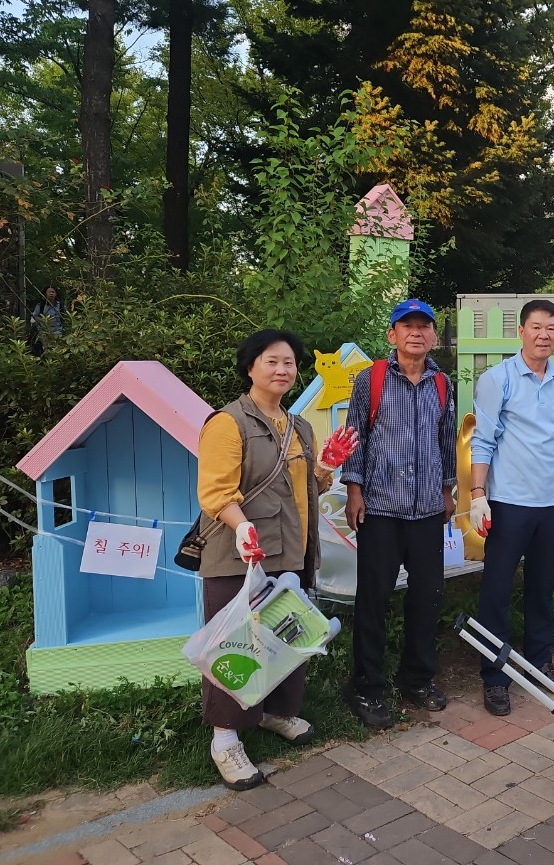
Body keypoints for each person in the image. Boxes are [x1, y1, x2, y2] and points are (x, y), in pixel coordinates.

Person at [195, 329, 359, 789]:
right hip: (240, 553)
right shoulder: (227, 423)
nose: (283, 370)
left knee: (288, 636)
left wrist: (325, 467)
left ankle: (275, 712)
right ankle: (225, 738)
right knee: (235, 645)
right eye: (272, 361)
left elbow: (307, 491)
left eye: (289, 362)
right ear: (250, 368)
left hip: (291, 550)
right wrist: (240, 525)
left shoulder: (299, 426)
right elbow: (216, 492)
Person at [339, 299, 456, 730]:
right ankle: (366, 686)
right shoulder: (369, 380)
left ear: (434, 336)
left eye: (425, 326)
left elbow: (446, 441)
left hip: (427, 510)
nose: (416, 332)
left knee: (427, 597)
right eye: (408, 326)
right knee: (374, 600)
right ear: (393, 334)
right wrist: (354, 491)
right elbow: (355, 437)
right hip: (381, 508)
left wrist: (447, 490)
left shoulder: (441, 383)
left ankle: (416, 678)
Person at [470, 299, 554, 716]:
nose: (544, 335)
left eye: (551, 328)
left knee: (541, 588)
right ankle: (495, 676)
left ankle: (540, 663)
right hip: (507, 502)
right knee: (496, 590)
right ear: (521, 331)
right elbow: (483, 440)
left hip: (551, 503)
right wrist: (478, 493)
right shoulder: (497, 379)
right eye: (536, 327)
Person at [30, 286, 64, 354]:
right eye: (49, 292)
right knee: (47, 350)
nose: (51, 293)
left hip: (57, 331)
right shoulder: (41, 305)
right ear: (45, 294)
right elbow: (35, 316)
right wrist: (43, 320)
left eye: (53, 292)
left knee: (58, 350)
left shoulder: (60, 305)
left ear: (56, 294)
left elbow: (64, 316)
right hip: (44, 331)